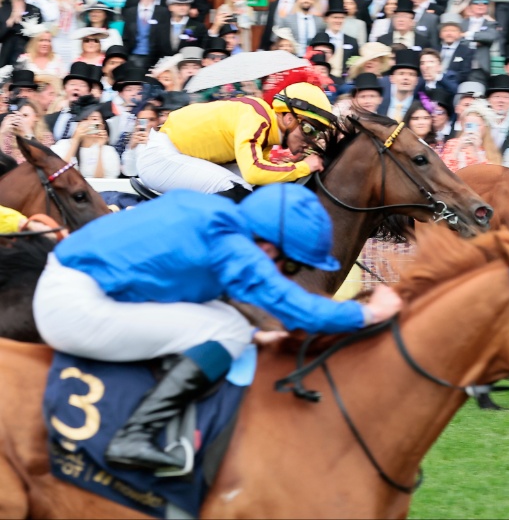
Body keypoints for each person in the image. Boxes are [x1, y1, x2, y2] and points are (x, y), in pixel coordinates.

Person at [33, 183, 404, 471]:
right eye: (291, 265)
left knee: (232, 324)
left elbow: (179, 286)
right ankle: (133, 436)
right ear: (270, 247)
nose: (283, 273)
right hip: (74, 307)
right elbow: (298, 311)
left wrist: (255, 334)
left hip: (72, 285)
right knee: (228, 331)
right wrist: (368, 313)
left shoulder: (215, 212)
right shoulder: (233, 246)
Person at [137, 79, 333, 199]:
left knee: (255, 190)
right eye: (309, 129)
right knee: (236, 189)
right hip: (162, 156)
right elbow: (254, 172)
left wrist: (286, 167)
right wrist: (303, 167)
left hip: (177, 153)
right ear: (289, 118)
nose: (311, 140)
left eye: (317, 134)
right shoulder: (257, 119)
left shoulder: (265, 129)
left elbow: (261, 173)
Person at [52, 96, 121, 179]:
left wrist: (100, 148)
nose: (89, 123)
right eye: (84, 119)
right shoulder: (63, 145)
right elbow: (60, 174)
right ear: (78, 123)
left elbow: (102, 181)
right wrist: (75, 141)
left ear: (102, 125)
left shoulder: (108, 151)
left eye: (94, 119)